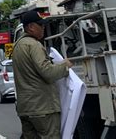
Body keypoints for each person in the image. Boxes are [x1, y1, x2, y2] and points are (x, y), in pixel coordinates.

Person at [12, 10, 72, 139]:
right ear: (31, 27)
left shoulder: (17, 46)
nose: (43, 28)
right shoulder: (34, 45)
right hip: (42, 108)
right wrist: (65, 66)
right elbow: (48, 72)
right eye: (41, 25)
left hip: (26, 108)